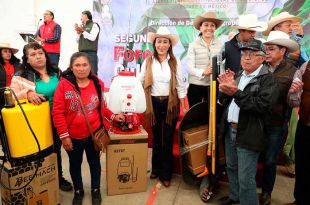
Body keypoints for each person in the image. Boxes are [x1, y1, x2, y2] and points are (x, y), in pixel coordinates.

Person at [52, 52, 125, 205]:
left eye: (85, 65)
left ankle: (95, 189)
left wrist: (112, 116)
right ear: (71, 68)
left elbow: (101, 107)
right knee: (75, 164)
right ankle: (78, 190)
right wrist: (64, 136)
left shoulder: (97, 82)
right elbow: (57, 112)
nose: (81, 68)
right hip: (73, 136)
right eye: (77, 65)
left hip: (95, 134)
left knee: (94, 163)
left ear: (90, 66)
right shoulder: (64, 85)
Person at [217, 39, 278, 205]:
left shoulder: (268, 79)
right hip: (230, 129)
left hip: (249, 133)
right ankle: (234, 196)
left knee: (246, 178)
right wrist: (224, 89)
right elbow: (225, 101)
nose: (246, 58)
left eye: (252, 54)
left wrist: (235, 92)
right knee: (231, 167)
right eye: (244, 53)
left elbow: (261, 106)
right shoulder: (238, 74)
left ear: (262, 58)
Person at [10, 42, 73, 192]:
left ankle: (57, 177)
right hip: (36, 122)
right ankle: (38, 180)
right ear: (27, 59)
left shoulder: (56, 72)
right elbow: (10, 98)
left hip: (57, 119)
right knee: (38, 152)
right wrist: (28, 93)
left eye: (40, 53)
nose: (38, 57)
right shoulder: (20, 77)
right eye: (33, 55)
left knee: (55, 150)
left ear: (45, 55)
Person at [137, 27, 187, 187]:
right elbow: (141, 79)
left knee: (168, 138)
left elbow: (180, 83)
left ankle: (166, 174)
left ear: (169, 45)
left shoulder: (175, 61)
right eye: (159, 41)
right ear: (155, 44)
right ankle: (156, 169)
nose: (162, 45)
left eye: (165, 42)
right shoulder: (148, 61)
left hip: (170, 103)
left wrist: (184, 104)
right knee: (157, 137)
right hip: (152, 103)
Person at [259, 31, 299, 205]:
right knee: (255, 155)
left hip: (276, 123)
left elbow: (292, 103)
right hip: (256, 120)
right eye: (266, 48)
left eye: (271, 49)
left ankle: (266, 192)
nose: (267, 52)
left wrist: (293, 94)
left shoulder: (293, 72)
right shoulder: (259, 66)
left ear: (282, 51)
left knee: (270, 159)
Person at [187, 12, 223, 108]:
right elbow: (190, 68)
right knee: (194, 115)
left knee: (211, 115)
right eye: (206, 25)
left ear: (215, 28)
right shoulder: (193, 45)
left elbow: (222, 65)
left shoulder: (220, 45)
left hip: (213, 85)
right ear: (200, 27)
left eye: (212, 25)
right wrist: (204, 72)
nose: (209, 28)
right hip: (195, 86)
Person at [287, 60, 310, 205]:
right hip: (305, 124)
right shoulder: (306, 66)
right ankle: (300, 200)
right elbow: (293, 102)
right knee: (302, 164)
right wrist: (294, 92)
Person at [75, 10, 100, 75]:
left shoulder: (94, 25)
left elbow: (92, 38)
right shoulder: (82, 26)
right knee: (82, 73)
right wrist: (78, 33)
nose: (81, 18)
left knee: (92, 73)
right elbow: (77, 40)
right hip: (81, 53)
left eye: (82, 16)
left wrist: (83, 31)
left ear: (86, 16)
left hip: (91, 53)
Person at [0, 42, 20, 109]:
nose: (8, 53)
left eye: (9, 52)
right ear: (0, 53)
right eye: (5, 51)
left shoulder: (17, 64)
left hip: (16, 93)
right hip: (2, 94)